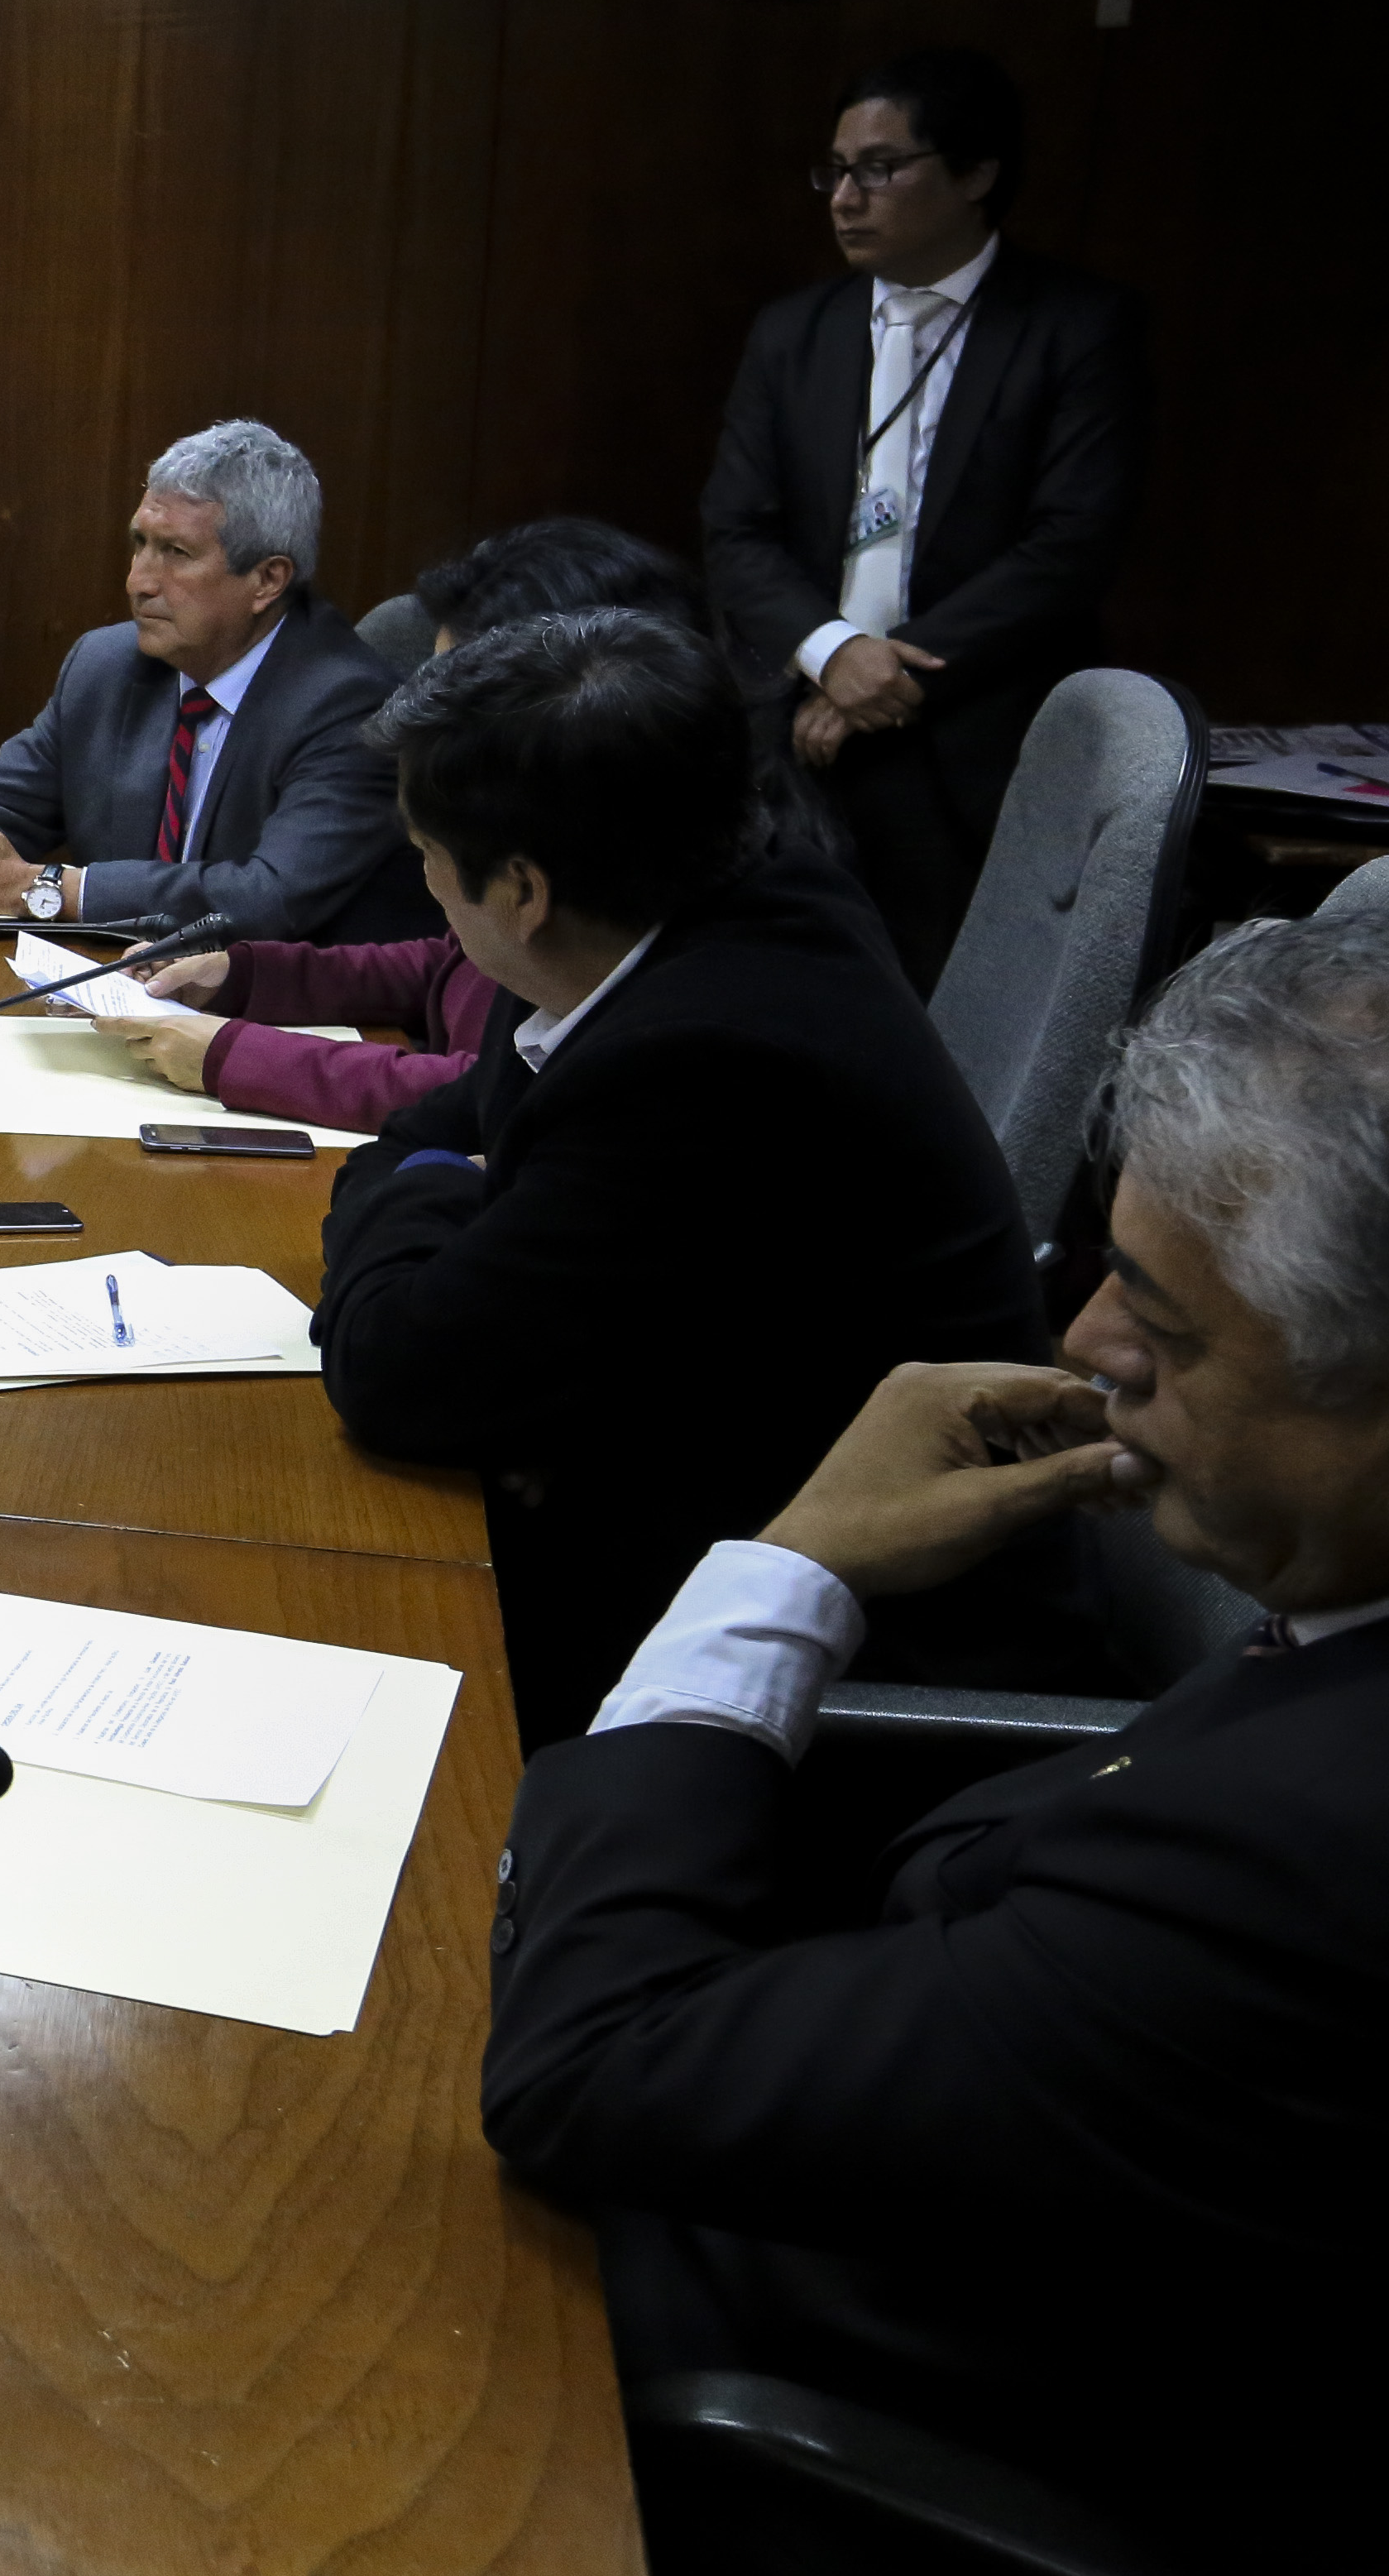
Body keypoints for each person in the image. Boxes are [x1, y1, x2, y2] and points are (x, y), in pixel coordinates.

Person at [486, 906, 1389, 2576]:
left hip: (761, 2410)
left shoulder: (1310, 1867)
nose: (1088, 1356)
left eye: (1171, 1331)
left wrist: (792, 1567)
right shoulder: (1349, 1639)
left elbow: (589, 2075)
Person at [310, 609, 1078, 1743]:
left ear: (520, 890)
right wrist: (444, 1172)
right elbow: (454, 1120)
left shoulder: (703, 1056)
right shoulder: (706, 898)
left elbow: (398, 1374)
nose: (423, 882)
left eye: (424, 860)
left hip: (806, 1661)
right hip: (679, 1492)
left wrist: (417, 1180)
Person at [702, 49, 1147, 988]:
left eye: (881, 169)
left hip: (974, 735)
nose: (845, 197)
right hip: (799, 728)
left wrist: (888, 677)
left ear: (978, 174)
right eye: (836, 170)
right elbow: (736, 529)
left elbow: (1070, 546)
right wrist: (830, 653)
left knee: (955, 1008)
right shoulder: (794, 332)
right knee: (780, 986)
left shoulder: (1074, 325)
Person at [92, 517, 763, 1129]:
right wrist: (240, 977)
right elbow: (446, 962)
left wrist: (234, 1055)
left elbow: (485, 1099)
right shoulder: (548, 841)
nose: (430, 724)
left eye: (459, 696)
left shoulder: (646, 936)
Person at [0, 419, 419, 942]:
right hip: (117, 996)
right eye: (140, 543)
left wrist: (46, 889)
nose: (138, 581)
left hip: (280, 1015)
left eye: (176, 553)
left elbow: (268, 897)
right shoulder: (107, 665)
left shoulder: (350, 705)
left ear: (267, 580)